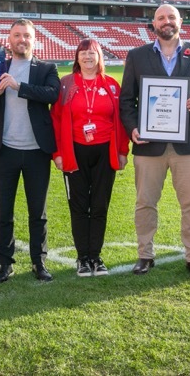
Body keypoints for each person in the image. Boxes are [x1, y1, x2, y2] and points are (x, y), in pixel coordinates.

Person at [119, 4, 190, 279]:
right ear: (153, 23)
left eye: (171, 17)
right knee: (145, 202)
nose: (166, 22)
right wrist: (132, 128)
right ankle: (145, 255)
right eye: (161, 18)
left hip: (189, 142)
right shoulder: (137, 55)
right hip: (148, 143)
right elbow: (126, 100)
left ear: (180, 21)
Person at [0, 19, 60, 283]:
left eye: (27, 36)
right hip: (4, 150)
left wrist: (17, 86)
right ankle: (5, 263)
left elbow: (52, 95)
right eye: (17, 35)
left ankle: (38, 262)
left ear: (35, 40)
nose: (22, 39)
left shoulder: (46, 67)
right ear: (9, 40)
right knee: (4, 210)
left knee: (38, 211)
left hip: (36, 151)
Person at [51, 39, 129, 277]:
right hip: (74, 150)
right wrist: (58, 153)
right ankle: (82, 258)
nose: (87, 57)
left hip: (105, 150)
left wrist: (123, 150)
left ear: (99, 57)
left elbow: (122, 119)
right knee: (78, 205)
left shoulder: (112, 86)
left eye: (92, 53)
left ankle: (96, 256)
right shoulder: (66, 85)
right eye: (83, 53)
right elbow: (54, 119)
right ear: (77, 58)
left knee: (99, 204)